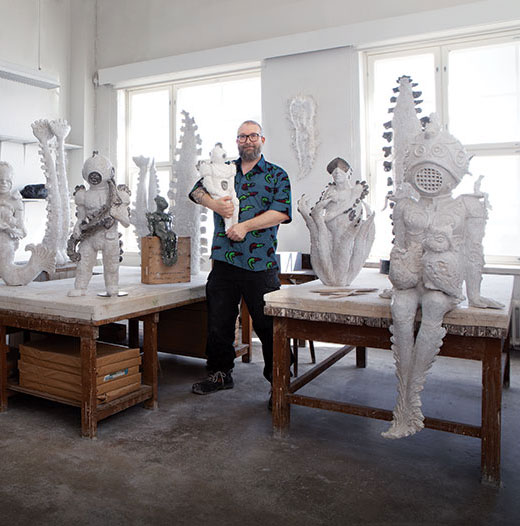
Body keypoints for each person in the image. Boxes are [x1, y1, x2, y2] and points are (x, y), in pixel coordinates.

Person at [189, 120, 291, 407]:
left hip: (260, 263)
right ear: (237, 141)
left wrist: (245, 226)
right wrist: (215, 205)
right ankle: (220, 374)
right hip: (224, 260)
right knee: (219, 322)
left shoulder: (276, 175)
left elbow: (281, 212)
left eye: (252, 135)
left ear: (262, 139)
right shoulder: (223, 170)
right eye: (242, 136)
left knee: (268, 325)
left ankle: (280, 381)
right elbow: (196, 192)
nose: (247, 140)